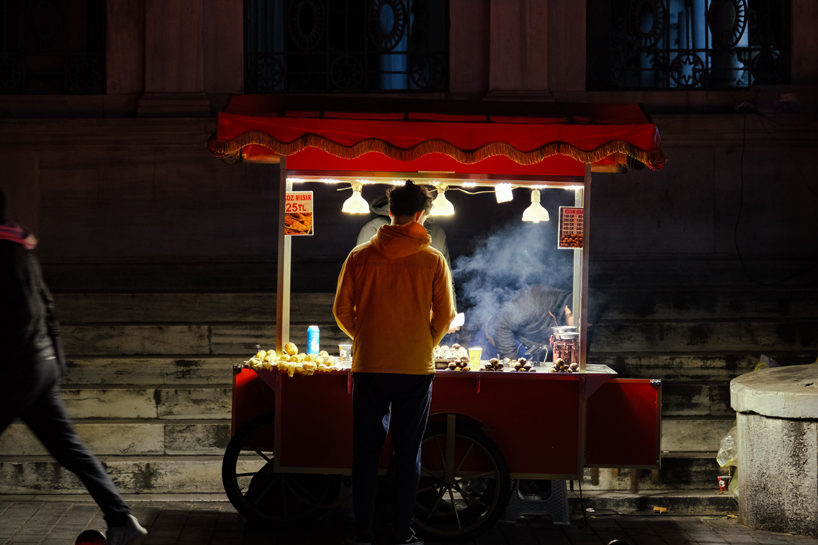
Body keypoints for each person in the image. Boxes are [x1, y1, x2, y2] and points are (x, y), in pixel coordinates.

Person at [0, 188, 148, 545]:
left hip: (19, 369)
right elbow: (46, 305)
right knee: (69, 448)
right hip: (39, 364)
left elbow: (23, 313)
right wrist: (54, 360)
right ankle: (121, 519)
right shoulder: (17, 244)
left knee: (69, 447)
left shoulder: (3, 251)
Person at [334, 181, 456, 545]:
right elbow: (446, 316)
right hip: (415, 369)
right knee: (407, 452)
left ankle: (364, 529)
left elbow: (342, 310)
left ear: (390, 212)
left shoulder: (359, 256)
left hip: (370, 365)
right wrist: (422, 343)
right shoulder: (432, 259)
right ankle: (402, 530)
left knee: (366, 451)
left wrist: (368, 338)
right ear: (421, 215)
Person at [469, 284, 604, 363]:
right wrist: (514, 365)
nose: (580, 330)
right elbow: (501, 327)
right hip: (494, 340)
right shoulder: (534, 301)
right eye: (579, 324)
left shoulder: (579, 319)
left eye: (586, 328)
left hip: (529, 348)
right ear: (568, 310)